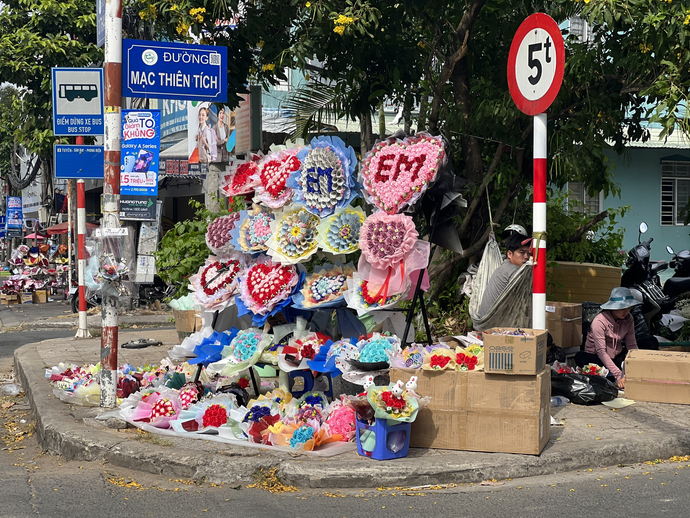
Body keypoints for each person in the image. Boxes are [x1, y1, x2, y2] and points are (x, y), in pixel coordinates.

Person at [575, 287, 641, 389]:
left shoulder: (629, 319)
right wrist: (619, 375)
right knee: (580, 357)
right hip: (598, 357)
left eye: (628, 308)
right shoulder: (599, 321)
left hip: (616, 356)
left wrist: (638, 363)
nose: (626, 311)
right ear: (613, 308)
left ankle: (614, 373)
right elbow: (601, 352)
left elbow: (631, 344)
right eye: (623, 308)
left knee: (649, 342)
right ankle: (612, 374)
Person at [476, 225, 531, 319]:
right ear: (509, 254)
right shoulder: (513, 271)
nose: (526, 257)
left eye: (529, 253)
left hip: (485, 321)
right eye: (522, 252)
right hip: (493, 324)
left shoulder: (504, 267)